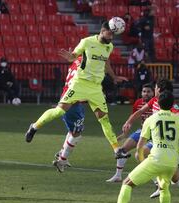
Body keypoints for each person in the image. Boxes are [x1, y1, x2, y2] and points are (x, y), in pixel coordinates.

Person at [25, 22, 128, 160]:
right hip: (79, 83)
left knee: (104, 120)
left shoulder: (109, 46)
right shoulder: (86, 41)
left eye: (113, 34)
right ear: (102, 31)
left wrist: (113, 76)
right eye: (109, 33)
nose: (111, 37)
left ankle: (117, 150)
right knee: (59, 111)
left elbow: (106, 62)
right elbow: (74, 56)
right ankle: (34, 127)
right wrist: (70, 57)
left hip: (96, 87)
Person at [101, 91, 179, 203]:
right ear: (172, 104)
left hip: (156, 159)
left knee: (127, 183)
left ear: (158, 103)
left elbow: (140, 145)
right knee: (164, 187)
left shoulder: (151, 119)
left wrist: (142, 162)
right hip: (172, 162)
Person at [106, 83, 154, 182]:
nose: (146, 94)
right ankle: (118, 176)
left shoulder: (157, 104)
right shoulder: (138, 103)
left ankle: (156, 180)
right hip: (143, 131)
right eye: (144, 91)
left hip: (155, 134)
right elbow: (134, 116)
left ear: (153, 93)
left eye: (148, 92)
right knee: (122, 150)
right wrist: (125, 132)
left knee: (142, 154)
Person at [52, 57, 85, 172]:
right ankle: (62, 160)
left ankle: (62, 154)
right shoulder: (86, 65)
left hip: (70, 101)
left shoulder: (75, 63)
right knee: (77, 134)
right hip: (73, 104)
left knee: (73, 131)